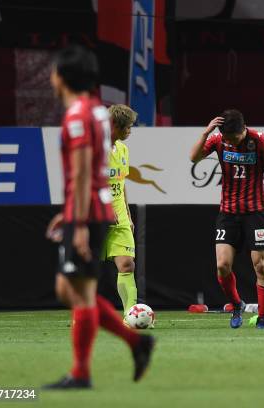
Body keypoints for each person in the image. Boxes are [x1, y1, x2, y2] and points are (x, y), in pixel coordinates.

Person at [44, 45, 154, 389]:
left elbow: (80, 172)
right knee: (73, 290)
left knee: (78, 292)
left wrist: (75, 220)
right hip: (97, 210)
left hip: (88, 213)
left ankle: (81, 373)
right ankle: (136, 342)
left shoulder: (77, 117)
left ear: (61, 77)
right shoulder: (93, 112)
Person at [190, 110, 264, 329]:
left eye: (236, 138)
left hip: (256, 213)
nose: (232, 142)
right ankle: (236, 304)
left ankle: (262, 318)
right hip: (228, 213)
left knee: (260, 266)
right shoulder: (218, 139)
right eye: (229, 139)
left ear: (244, 128)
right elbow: (193, 157)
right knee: (222, 265)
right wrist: (205, 133)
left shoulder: (260, 141)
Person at [102, 104, 141, 321]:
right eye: (128, 128)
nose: (130, 132)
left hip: (120, 217)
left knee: (127, 264)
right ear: (115, 126)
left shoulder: (123, 150)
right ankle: (82, 315)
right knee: (87, 270)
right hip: (95, 215)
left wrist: (127, 212)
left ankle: (131, 315)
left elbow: (121, 182)